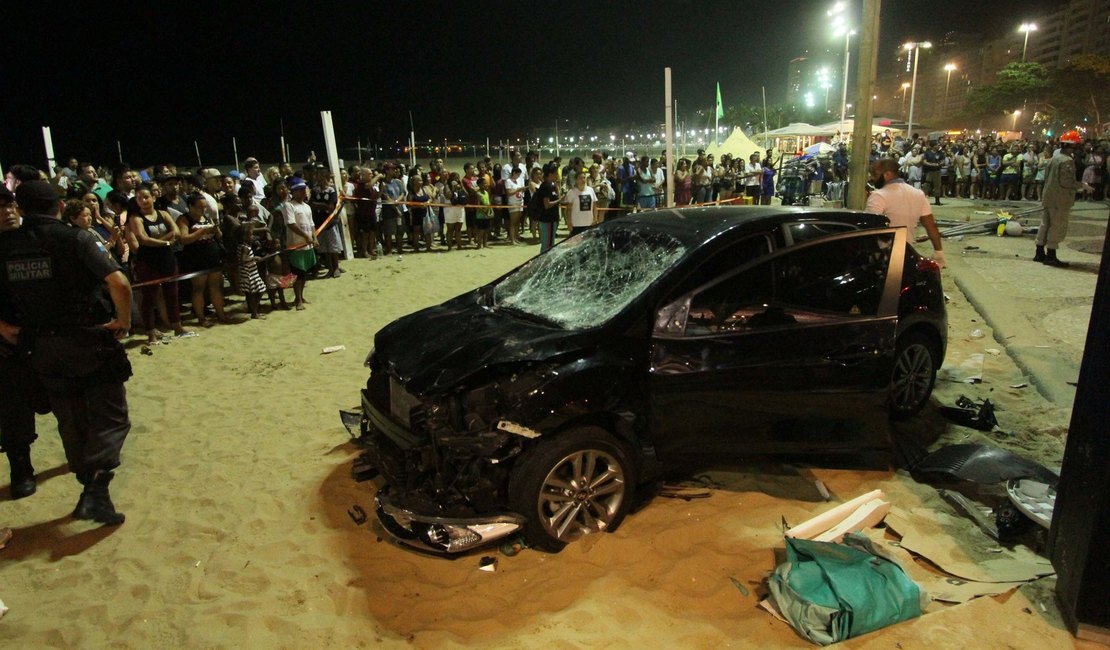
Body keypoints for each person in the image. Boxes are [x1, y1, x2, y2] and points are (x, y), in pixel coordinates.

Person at [0, 181, 133, 524]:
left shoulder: (6, 246)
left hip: (41, 347)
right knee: (111, 416)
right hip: (87, 341)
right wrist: (123, 319)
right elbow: (119, 282)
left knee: (70, 419)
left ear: (23, 209)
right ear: (59, 206)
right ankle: (96, 489)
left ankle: (89, 488)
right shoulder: (75, 238)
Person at [0, 185, 49, 499]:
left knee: (63, 399)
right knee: (13, 410)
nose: (6, 211)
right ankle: (21, 469)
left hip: (47, 335)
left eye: (9, 204)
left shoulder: (38, 239)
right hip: (7, 342)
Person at [127, 185, 191, 344]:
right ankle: (150, 332)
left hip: (167, 259)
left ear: (153, 198)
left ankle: (177, 327)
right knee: (149, 298)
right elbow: (143, 240)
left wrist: (164, 241)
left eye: (146, 197)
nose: (143, 201)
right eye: (139, 198)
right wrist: (166, 241)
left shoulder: (163, 213)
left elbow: (176, 232)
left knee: (172, 294)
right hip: (148, 262)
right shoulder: (136, 218)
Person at [865, 158, 945, 268]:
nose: (872, 178)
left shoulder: (878, 196)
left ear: (887, 174)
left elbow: (869, 228)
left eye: (874, 174)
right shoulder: (918, 194)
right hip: (907, 254)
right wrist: (938, 251)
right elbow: (931, 225)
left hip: (882, 257)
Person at [177, 193, 230, 326]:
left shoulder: (206, 217)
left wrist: (216, 229)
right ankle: (201, 318)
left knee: (215, 286)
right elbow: (184, 239)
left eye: (205, 207)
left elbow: (219, 235)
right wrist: (201, 232)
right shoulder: (184, 219)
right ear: (191, 206)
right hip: (195, 256)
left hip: (212, 254)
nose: (203, 210)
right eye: (200, 207)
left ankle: (221, 314)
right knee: (198, 288)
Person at [1037, 136, 1082, 267]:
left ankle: (1039, 252)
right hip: (1060, 198)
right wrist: (1081, 185)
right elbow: (1066, 181)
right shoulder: (1067, 161)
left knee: (1044, 224)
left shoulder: (1053, 159)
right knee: (1057, 225)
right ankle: (1051, 256)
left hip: (1049, 195)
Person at [283, 178, 317, 310]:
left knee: (305, 272)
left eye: (305, 190)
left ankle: (301, 296)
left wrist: (314, 238)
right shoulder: (289, 205)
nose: (304, 192)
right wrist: (306, 236)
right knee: (297, 273)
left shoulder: (307, 206)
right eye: (301, 190)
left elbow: (312, 224)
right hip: (296, 245)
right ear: (294, 192)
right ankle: (298, 299)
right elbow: (291, 224)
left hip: (307, 244)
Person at [236, 225, 267, 319]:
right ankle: (254, 312)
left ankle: (253, 310)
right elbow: (243, 259)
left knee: (249, 293)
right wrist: (254, 258)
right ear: (244, 237)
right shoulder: (245, 247)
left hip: (246, 272)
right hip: (250, 273)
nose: (252, 237)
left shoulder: (240, 246)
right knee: (261, 290)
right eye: (251, 235)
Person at [562, 173, 598, 237]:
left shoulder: (590, 190)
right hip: (576, 224)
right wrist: (569, 222)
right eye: (580, 178)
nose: (583, 180)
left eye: (584, 178)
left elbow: (594, 206)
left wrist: (595, 219)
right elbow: (568, 209)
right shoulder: (572, 192)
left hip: (589, 223)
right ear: (576, 180)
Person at [536, 165, 562, 253]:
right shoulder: (546, 186)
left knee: (550, 242)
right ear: (550, 174)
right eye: (556, 174)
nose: (557, 176)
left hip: (551, 218)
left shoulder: (551, 185)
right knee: (547, 244)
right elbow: (546, 205)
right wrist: (559, 200)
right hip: (547, 219)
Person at [473, 177, 493, 249]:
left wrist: (491, 211)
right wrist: (485, 213)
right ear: (479, 184)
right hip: (480, 215)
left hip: (487, 214)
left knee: (487, 230)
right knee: (481, 231)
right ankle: (479, 245)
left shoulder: (486, 192)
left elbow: (489, 203)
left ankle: (485, 244)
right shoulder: (478, 193)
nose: (486, 185)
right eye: (484, 183)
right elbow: (478, 206)